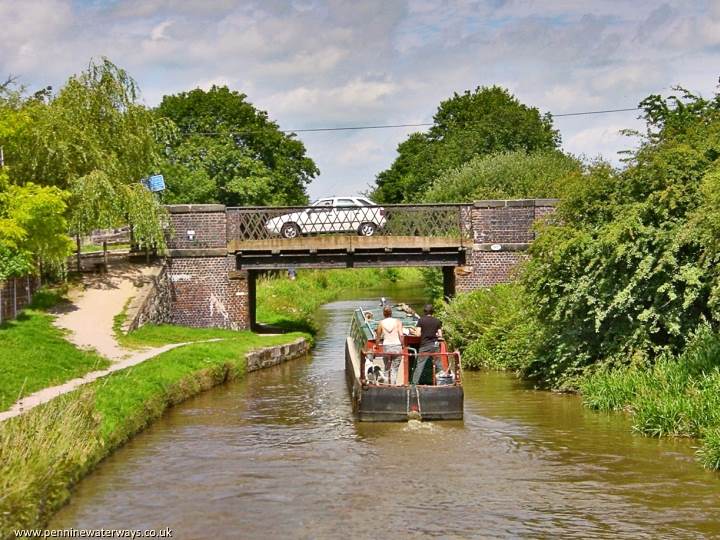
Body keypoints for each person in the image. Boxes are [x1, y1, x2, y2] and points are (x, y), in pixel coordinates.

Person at [411, 304, 443, 385]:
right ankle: (442, 382)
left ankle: (414, 384)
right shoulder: (437, 321)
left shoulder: (421, 320)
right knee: (439, 365)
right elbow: (440, 335)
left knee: (420, 365)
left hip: (425, 345)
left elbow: (418, 334)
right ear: (433, 312)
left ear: (424, 312)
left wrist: (413, 332)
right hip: (435, 345)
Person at [375, 305, 404, 385]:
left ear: (383, 314)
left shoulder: (381, 323)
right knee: (394, 369)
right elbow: (401, 335)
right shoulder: (398, 322)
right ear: (391, 313)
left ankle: (385, 385)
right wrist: (403, 345)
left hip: (386, 347)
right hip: (397, 347)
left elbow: (378, 337)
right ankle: (393, 385)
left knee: (387, 368)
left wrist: (377, 346)